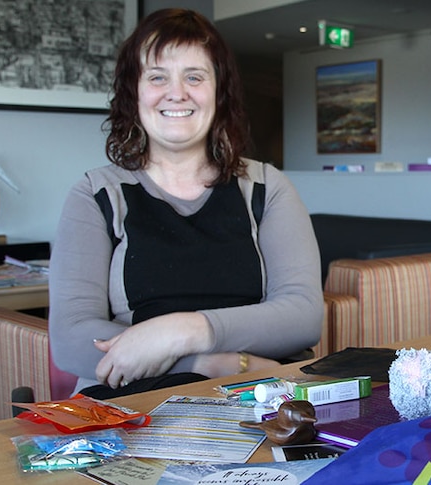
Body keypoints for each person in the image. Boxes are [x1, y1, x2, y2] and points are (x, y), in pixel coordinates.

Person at [49, 8, 323, 398]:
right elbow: (72, 337)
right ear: (134, 92)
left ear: (219, 91)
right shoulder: (96, 194)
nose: (177, 93)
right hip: (134, 400)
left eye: (194, 77)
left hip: (260, 397)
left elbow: (302, 316)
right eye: (157, 77)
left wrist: (182, 331)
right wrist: (208, 364)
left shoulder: (267, 186)